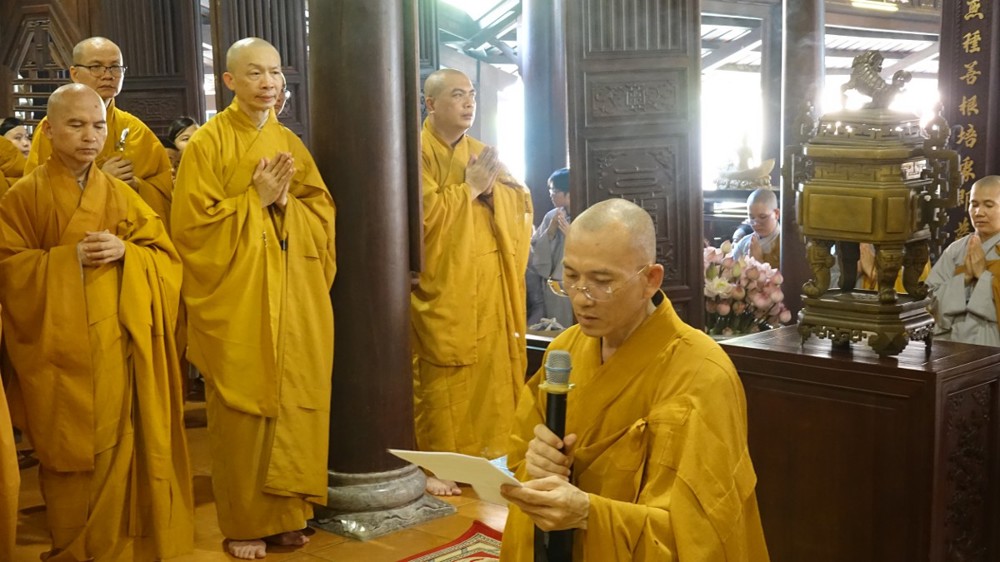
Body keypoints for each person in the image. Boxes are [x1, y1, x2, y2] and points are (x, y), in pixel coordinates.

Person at [500, 198, 770, 560]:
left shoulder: (702, 373)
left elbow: (702, 531)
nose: (581, 299)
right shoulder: (564, 350)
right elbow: (521, 454)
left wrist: (590, 514)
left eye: (602, 282)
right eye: (571, 277)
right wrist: (537, 462)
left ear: (650, 280)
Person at [0, 83, 193, 560]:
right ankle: (71, 548)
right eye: (76, 125)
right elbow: (8, 270)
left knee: (115, 446)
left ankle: (112, 550)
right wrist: (68, 261)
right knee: (66, 455)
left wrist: (128, 252)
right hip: (54, 354)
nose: (90, 136)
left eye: (98, 126)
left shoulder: (122, 195)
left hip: (113, 347)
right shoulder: (23, 196)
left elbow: (165, 259)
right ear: (49, 130)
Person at [171, 37, 336, 560]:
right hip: (237, 300)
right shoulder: (208, 144)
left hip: (290, 291)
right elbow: (191, 230)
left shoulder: (287, 141)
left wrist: (285, 202)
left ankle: (287, 515)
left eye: (275, 73)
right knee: (243, 413)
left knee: (293, 399)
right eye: (255, 73)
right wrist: (253, 201)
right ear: (229, 81)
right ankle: (245, 521)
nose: (269, 83)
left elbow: (321, 213)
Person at [413, 68, 533, 496]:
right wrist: (468, 190)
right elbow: (420, 217)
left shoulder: (482, 153)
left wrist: (492, 191)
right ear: (431, 104)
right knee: (443, 375)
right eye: (457, 95)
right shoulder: (415, 153)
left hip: (488, 284)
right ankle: (438, 462)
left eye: (472, 95)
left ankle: (489, 455)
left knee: (491, 372)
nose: (468, 103)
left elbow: (521, 201)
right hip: (442, 286)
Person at [25, 37, 175, 226]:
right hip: (74, 236)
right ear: (75, 73)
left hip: (126, 236)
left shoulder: (135, 129)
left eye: (115, 67)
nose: (108, 75)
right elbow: (36, 193)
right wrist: (98, 181)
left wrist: (137, 185)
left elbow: (164, 191)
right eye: (96, 67)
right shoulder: (55, 128)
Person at [926, 175, 1000, 346]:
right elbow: (929, 301)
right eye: (974, 204)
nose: (978, 212)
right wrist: (964, 277)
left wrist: (982, 276)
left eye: (988, 205)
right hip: (950, 344)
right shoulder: (956, 250)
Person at [528, 167, 574, 329]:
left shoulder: (585, 214)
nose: (551, 194)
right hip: (554, 283)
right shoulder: (551, 216)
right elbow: (535, 249)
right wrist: (550, 232)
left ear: (569, 193)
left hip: (575, 282)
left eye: (555, 191)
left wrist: (573, 236)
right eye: (550, 190)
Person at [731, 188, 780, 268]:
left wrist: (758, 261)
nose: (756, 224)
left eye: (763, 217)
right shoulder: (743, 244)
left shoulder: (786, 245)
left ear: (776, 214)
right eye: (752, 218)